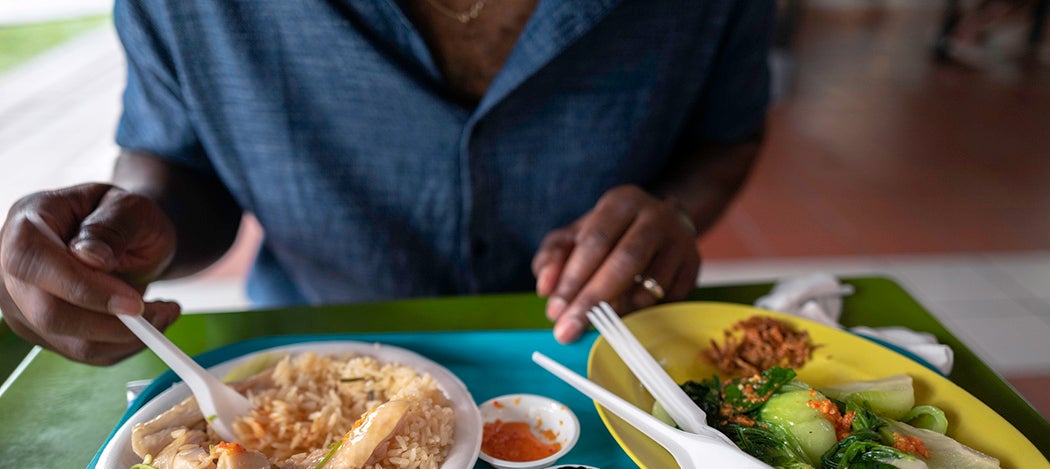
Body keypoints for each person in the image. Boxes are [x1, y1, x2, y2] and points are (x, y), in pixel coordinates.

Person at [0, 0, 773, 366]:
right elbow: (176, 162)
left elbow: (727, 136)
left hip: (604, 354)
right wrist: (138, 229)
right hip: (307, 362)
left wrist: (671, 211)